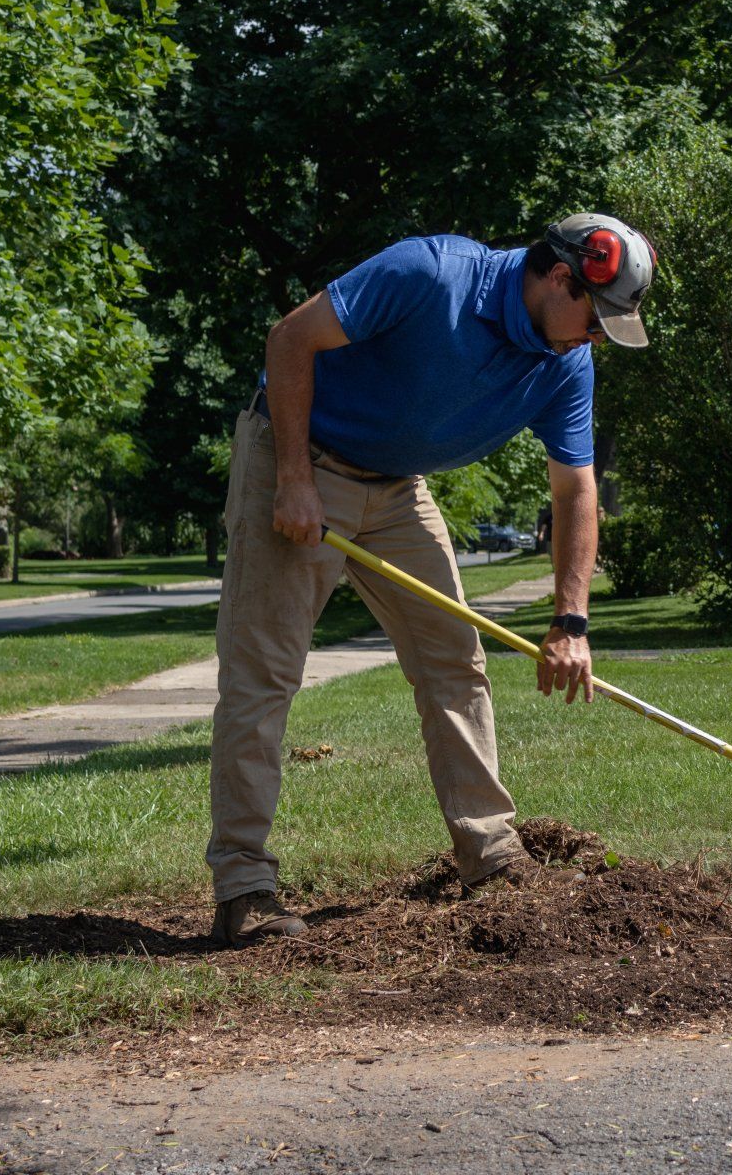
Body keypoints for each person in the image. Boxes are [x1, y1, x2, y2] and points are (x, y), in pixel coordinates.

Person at [206, 213, 657, 945]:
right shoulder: (430, 275)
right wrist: (291, 477)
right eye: (595, 317)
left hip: (395, 490)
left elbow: (577, 490)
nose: (596, 336)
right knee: (264, 675)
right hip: (297, 458)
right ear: (559, 277)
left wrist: (571, 621)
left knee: (455, 659)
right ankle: (243, 886)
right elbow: (291, 338)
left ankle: (491, 854)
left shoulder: (565, 363)